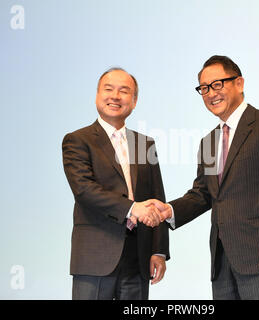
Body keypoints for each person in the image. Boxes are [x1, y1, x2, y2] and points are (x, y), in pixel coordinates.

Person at [149, 55, 259, 300]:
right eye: (204, 88)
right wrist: (170, 210)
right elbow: (203, 194)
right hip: (222, 261)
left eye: (217, 84)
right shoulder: (208, 142)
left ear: (239, 83)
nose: (210, 93)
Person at [62, 67, 169, 300]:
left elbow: (157, 199)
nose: (115, 96)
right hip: (94, 257)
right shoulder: (77, 140)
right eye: (108, 89)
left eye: (124, 91)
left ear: (134, 100)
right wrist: (133, 208)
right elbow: (84, 190)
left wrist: (159, 251)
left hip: (137, 259)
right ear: (97, 95)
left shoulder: (145, 145)